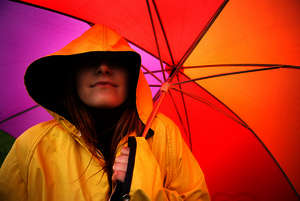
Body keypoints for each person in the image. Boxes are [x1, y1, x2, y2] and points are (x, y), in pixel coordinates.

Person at [0, 24, 210, 201]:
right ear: (72, 77)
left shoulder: (164, 134)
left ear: (132, 77)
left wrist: (146, 192)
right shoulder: (32, 146)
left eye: (116, 61)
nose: (103, 68)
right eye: (90, 60)